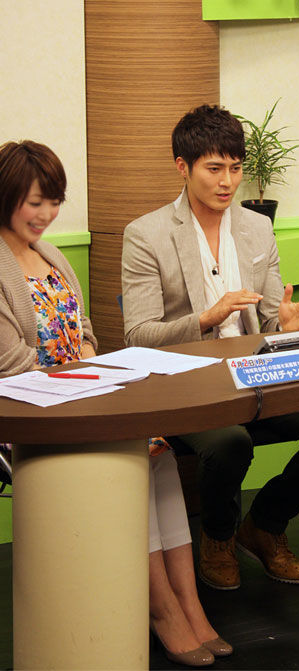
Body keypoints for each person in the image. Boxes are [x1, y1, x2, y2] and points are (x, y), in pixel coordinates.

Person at [0, 140, 226, 668]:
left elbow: (83, 331)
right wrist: (78, 374)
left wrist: (89, 363)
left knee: (157, 452)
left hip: (79, 395)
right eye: (35, 202)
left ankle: (190, 605)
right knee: (130, 453)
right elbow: (11, 365)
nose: (47, 214)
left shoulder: (50, 255)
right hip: (31, 414)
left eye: (55, 201)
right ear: (6, 198)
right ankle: (162, 611)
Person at [122, 104, 299, 591]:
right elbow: (138, 336)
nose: (227, 182)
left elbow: (269, 321)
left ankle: (264, 525)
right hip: (187, 387)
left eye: (235, 169)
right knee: (230, 443)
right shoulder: (146, 234)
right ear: (183, 166)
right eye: (214, 169)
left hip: (257, 378)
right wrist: (205, 319)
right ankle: (217, 538)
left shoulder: (257, 228)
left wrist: (285, 326)